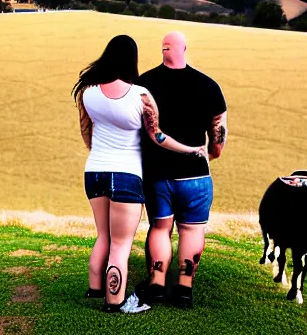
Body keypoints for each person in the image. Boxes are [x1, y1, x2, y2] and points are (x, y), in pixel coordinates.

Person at [72, 34, 207, 314]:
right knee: (120, 244)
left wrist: (96, 152)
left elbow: (87, 131)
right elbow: (157, 136)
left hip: (94, 171)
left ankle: (95, 287)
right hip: (126, 176)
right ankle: (116, 301)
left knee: (102, 235)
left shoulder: (88, 91)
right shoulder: (140, 95)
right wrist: (190, 149)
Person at [136, 31, 228, 309]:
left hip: (158, 174)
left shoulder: (144, 84)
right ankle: (184, 289)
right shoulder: (208, 85)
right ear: (185, 49)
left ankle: (157, 284)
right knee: (191, 230)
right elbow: (219, 135)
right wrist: (209, 154)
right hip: (196, 175)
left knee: (160, 228)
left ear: (162, 50)